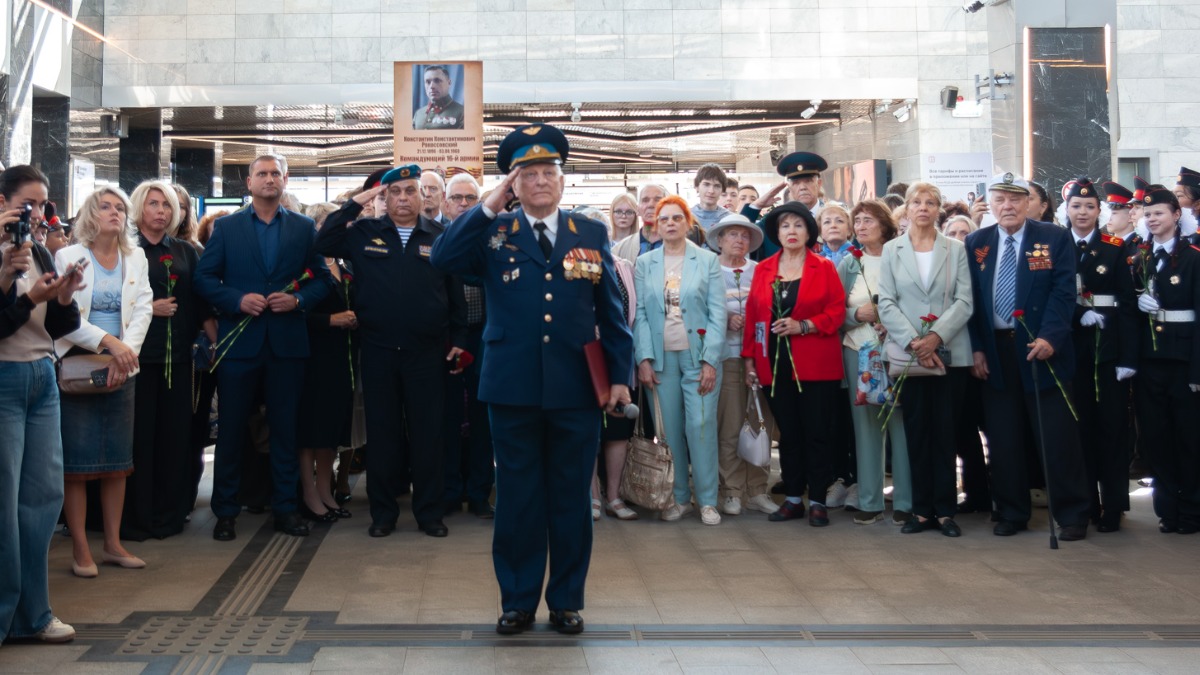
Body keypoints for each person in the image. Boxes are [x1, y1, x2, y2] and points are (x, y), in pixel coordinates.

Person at [431, 124, 632, 636]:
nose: (541, 181)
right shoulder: (495, 232)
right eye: (528, 175)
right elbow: (444, 258)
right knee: (518, 500)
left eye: (549, 173)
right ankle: (518, 601)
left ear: (563, 182)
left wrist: (619, 378)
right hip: (512, 387)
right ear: (513, 184)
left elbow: (612, 313)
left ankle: (566, 600)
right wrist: (488, 206)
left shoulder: (589, 232)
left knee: (570, 499)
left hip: (575, 387)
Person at [315, 165, 466, 538]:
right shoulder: (365, 232)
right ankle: (383, 514)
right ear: (384, 198)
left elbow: (456, 294)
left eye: (410, 191)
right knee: (383, 436)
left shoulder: (440, 235)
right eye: (394, 192)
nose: (402, 199)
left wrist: (460, 339)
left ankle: (429, 512)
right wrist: (359, 200)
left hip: (427, 352)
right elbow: (324, 241)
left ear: (423, 196)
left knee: (428, 435)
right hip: (379, 349)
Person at [194, 154, 332, 542]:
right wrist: (236, 300)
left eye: (276, 173)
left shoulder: (304, 229)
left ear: (285, 180)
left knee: (285, 431)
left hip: (287, 344)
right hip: (240, 344)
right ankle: (225, 511)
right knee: (233, 430)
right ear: (249, 182)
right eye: (262, 173)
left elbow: (323, 280)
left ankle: (286, 510)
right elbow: (205, 280)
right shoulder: (227, 228)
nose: (269, 179)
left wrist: (299, 301)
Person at [965, 172, 1091, 541]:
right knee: (1003, 438)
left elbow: (1064, 291)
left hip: (1041, 348)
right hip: (996, 352)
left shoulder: (1053, 237)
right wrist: (976, 348)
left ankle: (1072, 514)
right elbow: (970, 301)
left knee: (1056, 437)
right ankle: (1011, 511)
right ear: (990, 204)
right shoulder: (977, 241)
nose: (1008, 206)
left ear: (1028, 203)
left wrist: (1051, 337)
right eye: (1000, 199)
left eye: (1015, 199)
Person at [0, 165, 85, 643]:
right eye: (29, 205)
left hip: (40, 377)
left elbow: (54, 325)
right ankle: (5, 616)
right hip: (4, 377)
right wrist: (26, 293)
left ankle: (35, 613)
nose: (39, 216)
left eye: (44, 206)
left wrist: (64, 296)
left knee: (41, 499)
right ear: (2, 203)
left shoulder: (34, 249)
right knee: (4, 504)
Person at [55, 186, 154, 576]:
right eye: (106, 207)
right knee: (76, 465)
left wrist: (125, 352)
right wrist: (107, 342)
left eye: (120, 208)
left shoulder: (137, 257)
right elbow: (63, 315)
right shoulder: (69, 256)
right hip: (80, 363)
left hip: (122, 365)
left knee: (117, 462)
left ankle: (113, 544)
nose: (115, 213)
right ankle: (81, 548)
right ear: (90, 214)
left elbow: (144, 306)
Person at [877, 183, 974, 537]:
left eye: (930, 202)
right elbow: (885, 301)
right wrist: (915, 341)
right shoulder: (892, 250)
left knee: (946, 434)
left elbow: (965, 300)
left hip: (949, 352)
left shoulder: (955, 249)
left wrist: (936, 338)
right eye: (916, 202)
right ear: (906, 209)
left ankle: (946, 510)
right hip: (910, 354)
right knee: (916, 432)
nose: (923, 208)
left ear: (939, 210)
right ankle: (921, 511)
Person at [742, 202, 846, 526]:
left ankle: (817, 500)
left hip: (816, 364)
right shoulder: (764, 269)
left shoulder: (823, 267)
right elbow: (753, 319)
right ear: (777, 233)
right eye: (785, 226)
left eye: (798, 226)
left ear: (808, 232)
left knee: (817, 432)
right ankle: (791, 499)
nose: (791, 231)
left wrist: (804, 325)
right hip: (774, 364)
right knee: (788, 434)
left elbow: (837, 311)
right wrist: (749, 362)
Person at [124, 179, 211, 541]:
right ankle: (137, 517)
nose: (160, 211)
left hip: (180, 358)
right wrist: (148, 308)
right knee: (139, 439)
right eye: (153, 203)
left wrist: (213, 340)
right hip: (138, 357)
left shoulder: (187, 251)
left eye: (166, 205)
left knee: (175, 438)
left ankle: (171, 514)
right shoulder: (126, 250)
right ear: (140, 207)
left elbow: (202, 300)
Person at [634, 196, 727, 525]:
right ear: (655, 226)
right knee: (669, 431)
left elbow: (718, 314)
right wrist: (643, 358)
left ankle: (707, 500)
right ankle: (679, 498)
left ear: (689, 223)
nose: (670, 223)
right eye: (664, 219)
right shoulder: (645, 264)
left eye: (677, 218)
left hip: (697, 355)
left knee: (700, 426)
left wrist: (710, 360)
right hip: (660, 359)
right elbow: (640, 314)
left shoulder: (707, 261)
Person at [1061, 178, 1139, 532]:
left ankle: (1114, 506)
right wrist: (1079, 314)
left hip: (1107, 347)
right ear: (1067, 209)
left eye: (1090, 207)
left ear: (1099, 212)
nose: (1082, 212)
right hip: (1071, 347)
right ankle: (1087, 502)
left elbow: (1128, 306)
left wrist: (1127, 357)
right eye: (1076, 206)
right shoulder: (1056, 244)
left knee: (1112, 429)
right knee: (1079, 431)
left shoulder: (1115, 247)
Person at [837, 200, 912, 526]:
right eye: (858, 221)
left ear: (884, 224)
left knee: (902, 424)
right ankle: (869, 500)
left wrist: (894, 325)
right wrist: (857, 314)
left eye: (868, 220)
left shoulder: (902, 258)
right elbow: (834, 313)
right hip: (859, 351)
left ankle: (906, 501)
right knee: (866, 426)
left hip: (899, 352)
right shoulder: (848, 264)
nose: (861, 226)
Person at [1132, 188, 1200, 533]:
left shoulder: (1194, 256)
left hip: (1183, 360)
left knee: (1188, 439)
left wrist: (1197, 369)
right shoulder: (1141, 256)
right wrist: (1137, 301)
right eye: (1148, 215)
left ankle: (1191, 511)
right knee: (1156, 439)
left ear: (1176, 214)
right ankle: (1167, 511)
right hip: (1150, 360)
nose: (1152, 219)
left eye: (1159, 213)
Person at [709, 213, 778, 516]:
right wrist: (725, 318)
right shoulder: (710, 270)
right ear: (720, 240)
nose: (739, 240)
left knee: (760, 424)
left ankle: (758, 489)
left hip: (760, 359)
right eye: (732, 234)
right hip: (726, 357)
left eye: (745, 235)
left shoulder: (761, 271)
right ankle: (732, 490)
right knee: (730, 426)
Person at [574, 205, 638, 521]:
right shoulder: (571, 263)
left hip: (615, 357)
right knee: (588, 429)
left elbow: (629, 315)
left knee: (618, 429)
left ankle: (614, 495)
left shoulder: (624, 265)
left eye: (600, 226)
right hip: (583, 357)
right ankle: (592, 495)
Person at [296, 206, 357, 524]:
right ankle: (309, 493)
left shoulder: (346, 263)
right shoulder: (305, 266)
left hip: (341, 358)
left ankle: (325, 489)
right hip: (312, 356)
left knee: (331, 429)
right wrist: (330, 320)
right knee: (309, 429)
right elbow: (294, 313)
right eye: (325, 225)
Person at [440, 173, 494, 519]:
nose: (463, 203)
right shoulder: (436, 237)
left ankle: (478, 493)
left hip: (485, 337)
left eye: (470, 198)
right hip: (446, 340)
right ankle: (447, 491)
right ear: (445, 203)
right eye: (457, 197)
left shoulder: (494, 239)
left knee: (482, 417)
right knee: (445, 416)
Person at [742, 151, 828, 258]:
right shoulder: (774, 220)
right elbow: (741, 235)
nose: (802, 187)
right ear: (789, 187)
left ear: (818, 183)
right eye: (796, 182)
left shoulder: (833, 217)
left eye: (808, 181)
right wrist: (756, 206)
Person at [611, 183, 667, 264]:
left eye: (658, 200)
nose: (651, 205)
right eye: (645, 200)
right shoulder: (619, 250)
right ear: (637, 210)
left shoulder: (682, 247)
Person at [412, 65, 465, 130]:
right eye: (428, 82)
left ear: (449, 83)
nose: (432, 86)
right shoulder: (418, 114)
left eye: (437, 81)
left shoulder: (462, 113)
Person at [691, 163, 733, 237]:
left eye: (717, 186)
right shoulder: (686, 216)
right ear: (697, 187)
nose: (711, 191)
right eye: (706, 184)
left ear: (722, 190)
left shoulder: (729, 219)